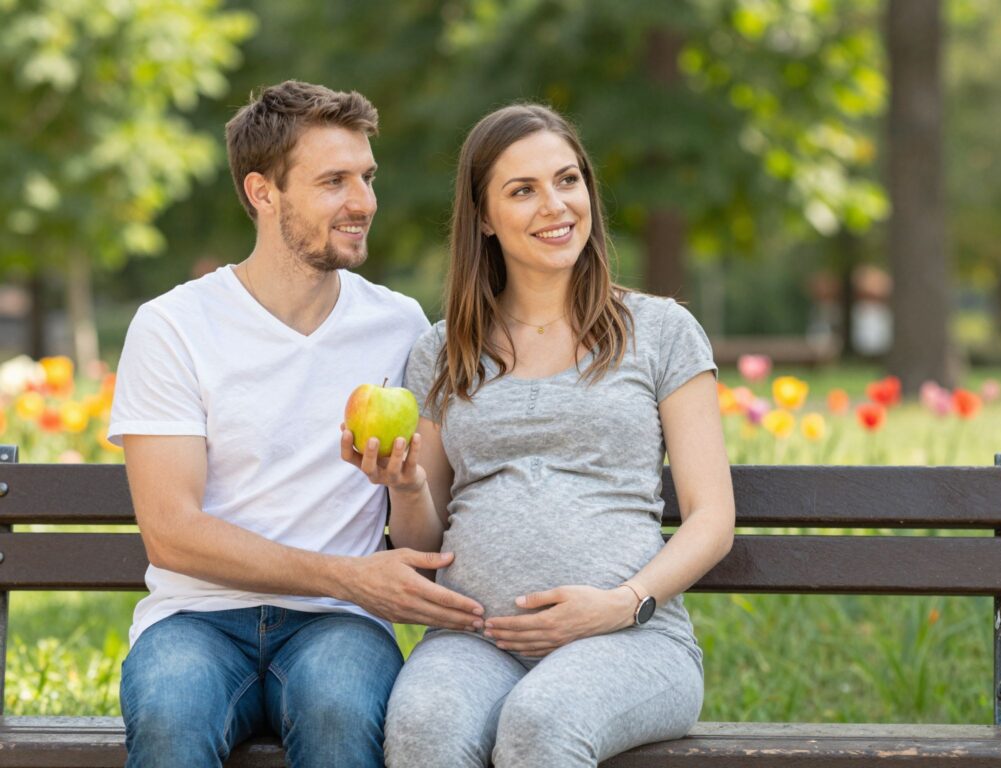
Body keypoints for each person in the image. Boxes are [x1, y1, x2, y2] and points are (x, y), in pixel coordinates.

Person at [343, 104, 736, 767]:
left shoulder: (660, 330)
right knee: (422, 724)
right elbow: (423, 545)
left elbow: (712, 517)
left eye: (567, 180)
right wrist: (407, 487)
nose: (556, 206)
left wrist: (620, 606)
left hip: (633, 640)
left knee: (541, 723)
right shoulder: (440, 353)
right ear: (485, 219)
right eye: (523, 190)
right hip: (474, 640)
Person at [109, 80, 484, 768]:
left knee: (339, 714)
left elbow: (421, 535)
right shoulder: (174, 326)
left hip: (338, 628)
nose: (363, 202)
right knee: (169, 718)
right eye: (334, 181)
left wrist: (403, 488)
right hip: (195, 619)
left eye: (367, 177)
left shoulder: (398, 325)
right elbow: (172, 533)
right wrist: (348, 575)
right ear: (263, 192)